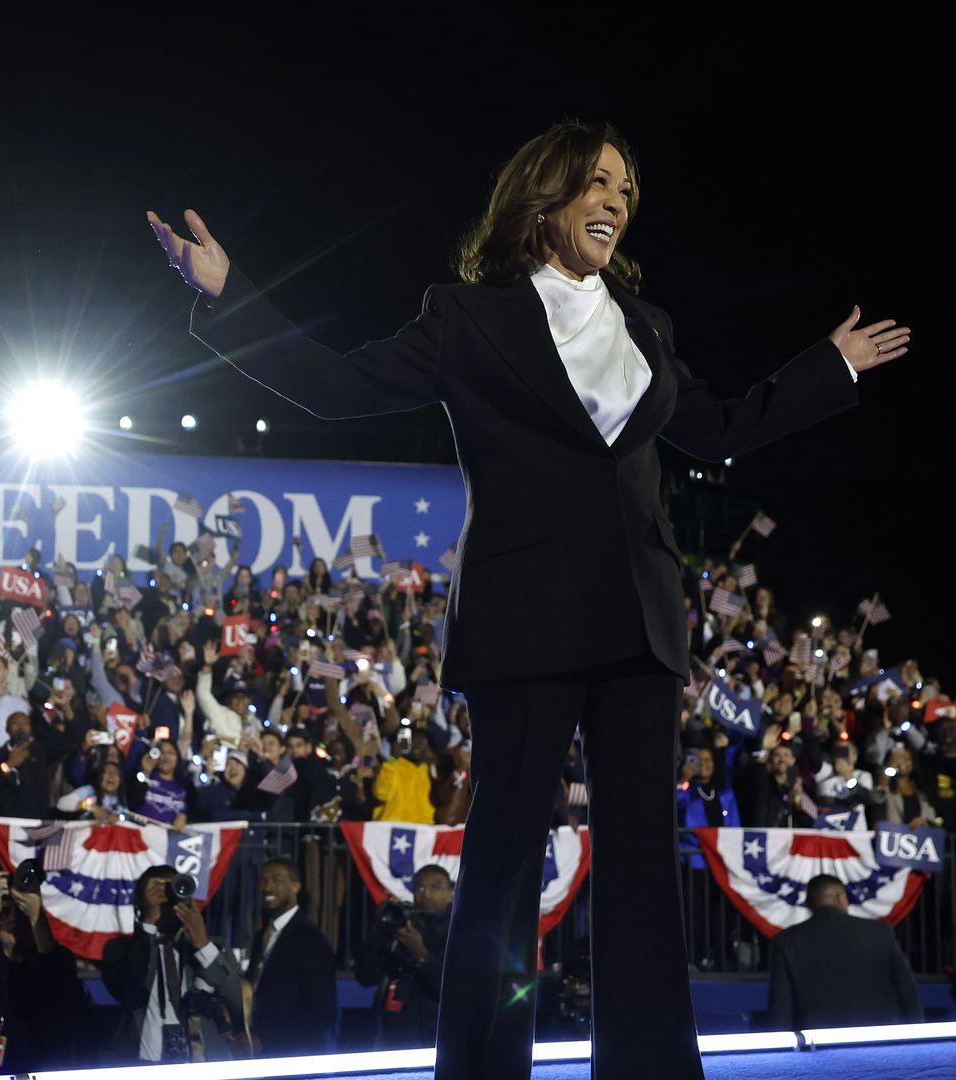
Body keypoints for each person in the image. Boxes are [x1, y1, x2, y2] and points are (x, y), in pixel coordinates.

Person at [153, 118, 908, 1079]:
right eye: (597, 182)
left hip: (641, 622)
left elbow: (719, 426)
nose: (616, 201)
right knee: (504, 868)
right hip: (524, 622)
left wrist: (826, 367)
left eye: (626, 190)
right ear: (544, 195)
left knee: (641, 873)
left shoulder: (648, 327)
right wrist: (231, 297)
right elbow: (340, 387)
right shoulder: (469, 316)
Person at [100, 865, 248, 1062]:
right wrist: (148, 923)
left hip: (203, 1062)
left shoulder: (212, 949)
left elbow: (240, 1002)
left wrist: (203, 946)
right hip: (142, 1065)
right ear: (141, 901)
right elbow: (129, 993)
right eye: (155, 890)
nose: (165, 897)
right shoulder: (119, 949)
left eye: (172, 889)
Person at [0, 868, 87, 1071]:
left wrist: (35, 916)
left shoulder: (53, 957)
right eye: (6, 912)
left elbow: (57, 974)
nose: (13, 919)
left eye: (20, 912)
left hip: (42, 1063)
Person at [766, 874, 922, 1029]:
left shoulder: (786, 941)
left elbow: (781, 1007)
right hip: (878, 1040)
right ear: (841, 898)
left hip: (819, 1045)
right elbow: (906, 989)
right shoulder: (879, 932)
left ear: (809, 903)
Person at [354, 863, 454, 1050]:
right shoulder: (402, 925)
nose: (426, 894)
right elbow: (365, 977)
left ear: (451, 892)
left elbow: (454, 989)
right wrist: (380, 932)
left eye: (435, 887)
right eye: (420, 887)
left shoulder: (459, 932)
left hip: (437, 1036)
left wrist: (421, 955)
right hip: (393, 1033)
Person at [245, 858, 337, 1056]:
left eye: (277, 880)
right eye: (263, 880)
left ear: (296, 887)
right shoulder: (264, 935)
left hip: (291, 1056)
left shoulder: (311, 940)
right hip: (261, 1053)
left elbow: (322, 1012)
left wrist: (271, 1043)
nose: (267, 887)